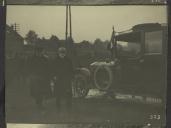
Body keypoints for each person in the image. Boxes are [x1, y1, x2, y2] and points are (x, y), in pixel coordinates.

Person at [52, 47, 74, 113]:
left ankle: (68, 105)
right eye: (61, 53)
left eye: (63, 53)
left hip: (66, 79)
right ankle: (58, 105)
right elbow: (52, 69)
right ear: (58, 53)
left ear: (65, 53)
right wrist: (54, 76)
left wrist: (71, 77)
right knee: (58, 93)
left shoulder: (68, 60)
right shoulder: (55, 60)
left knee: (68, 93)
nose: (62, 54)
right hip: (58, 79)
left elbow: (71, 69)